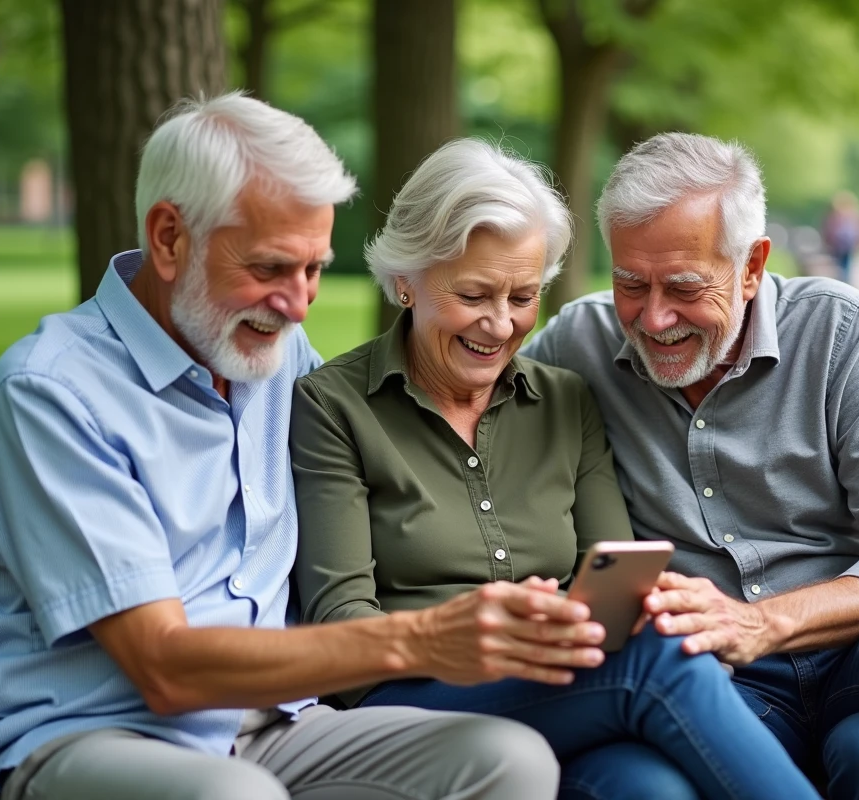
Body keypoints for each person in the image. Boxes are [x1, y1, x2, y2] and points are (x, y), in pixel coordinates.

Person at [0, 93, 604, 800]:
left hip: (274, 731)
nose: (299, 303)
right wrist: (422, 639)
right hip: (88, 741)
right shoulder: (52, 395)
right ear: (169, 237)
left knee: (507, 757)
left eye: (315, 269)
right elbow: (164, 667)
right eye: (269, 268)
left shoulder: (274, 357)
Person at [522, 132, 859, 799]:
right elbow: (460, 405)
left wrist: (761, 621)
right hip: (723, 691)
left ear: (753, 265)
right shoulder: (575, 347)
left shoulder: (838, 331)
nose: (654, 317)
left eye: (686, 286)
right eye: (630, 283)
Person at [291, 138, 822, 800]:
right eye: (474, 293)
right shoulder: (332, 407)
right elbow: (341, 629)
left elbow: (619, 580)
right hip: (401, 701)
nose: (499, 323)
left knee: (650, 790)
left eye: (522, 295)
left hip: (561, 688)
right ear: (406, 279)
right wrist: (463, 634)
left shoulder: (566, 399)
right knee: (656, 658)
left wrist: (574, 619)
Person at [821, 190, 859, 284]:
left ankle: (845, 281)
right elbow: (827, 230)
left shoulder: (856, 216)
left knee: (846, 265)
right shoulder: (833, 217)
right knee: (840, 265)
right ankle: (843, 280)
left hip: (849, 245)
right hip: (837, 246)